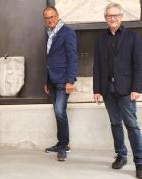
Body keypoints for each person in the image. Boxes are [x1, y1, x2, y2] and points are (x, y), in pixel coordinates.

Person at [93, 3, 142, 178]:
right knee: (115, 123)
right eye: (109, 16)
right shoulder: (100, 40)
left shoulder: (132, 37)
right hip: (107, 89)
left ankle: (139, 162)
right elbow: (97, 67)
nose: (112, 18)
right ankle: (121, 155)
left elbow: (138, 65)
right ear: (105, 18)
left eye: (116, 15)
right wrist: (97, 89)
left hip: (127, 89)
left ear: (121, 17)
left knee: (132, 126)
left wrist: (137, 88)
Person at [43, 6, 78, 161]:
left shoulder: (67, 32)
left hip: (64, 81)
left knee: (59, 111)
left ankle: (64, 146)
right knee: (58, 113)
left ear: (57, 16)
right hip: (52, 80)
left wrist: (70, 81)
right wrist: (46, 81)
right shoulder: (49, 34)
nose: (49, 20)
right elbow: (49, 60)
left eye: (52, 17)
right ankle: (61, 142)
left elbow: (72, 58)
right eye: (46, 18)